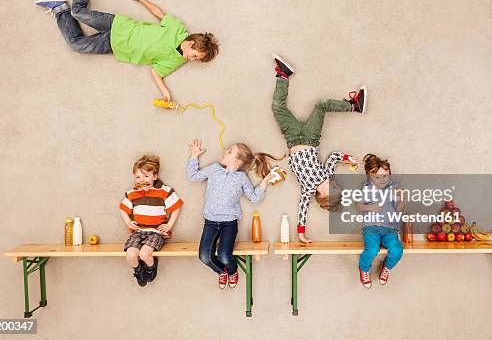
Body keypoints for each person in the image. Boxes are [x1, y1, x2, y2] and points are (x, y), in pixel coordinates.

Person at [35, 0, 219, 101]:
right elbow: (159, 13)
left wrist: (165, 91)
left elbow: (156, 72)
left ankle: (60, 10)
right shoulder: (178, 29)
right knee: (78, 12)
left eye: (195, 60)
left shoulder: (175, 62)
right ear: (190, 43)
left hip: (115, 46)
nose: (190, 59)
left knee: (75, 44)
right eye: (194, 55)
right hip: (118, 26)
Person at [271, 54, 366, 243]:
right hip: (310, 137)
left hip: (291, 138)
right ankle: (353, 106)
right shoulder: (327, 175)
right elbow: (333, 157)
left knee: (277, 108)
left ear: (323, 195)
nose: (336, 185)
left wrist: (300, 234)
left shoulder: (307, 190)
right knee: (321, 105)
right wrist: (348, 157)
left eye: (334, 190)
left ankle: (283, 75)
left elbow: (302, 210)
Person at [187, 139, 277, 289]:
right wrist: (194, 156)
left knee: (223, 256)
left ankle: (233, 271)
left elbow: (253, 197)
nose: (225, 152)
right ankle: (222, 272)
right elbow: (193, 176)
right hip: (210, 222)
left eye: (229, 151)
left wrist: (265, 182)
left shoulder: (241, 178)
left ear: (236, 160)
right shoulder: (214, 168)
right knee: (204, 256)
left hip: (229, 224)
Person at [119, 155, 183, 286]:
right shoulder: (132, 193)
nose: (142, 180)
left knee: (144, 253)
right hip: (138, 232)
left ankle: (151, 267)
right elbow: (123, 209)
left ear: (155, 176)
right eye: (138, 177)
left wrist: (169, 225)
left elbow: (176, 206)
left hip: (155, 232)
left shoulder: (163, 190)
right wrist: (128, 223)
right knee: (130, 255)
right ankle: (138, 270)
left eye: (146, 176)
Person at [356, 154, 405, 288]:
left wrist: (402, 198)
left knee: (397, 250)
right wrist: (370, 207)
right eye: (377, 177)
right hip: (371, 227)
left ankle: (387, 268)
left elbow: (399, 209)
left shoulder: (394, 187)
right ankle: (364, 269)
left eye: (386, 176)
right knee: (372, 250)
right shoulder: (367, 188)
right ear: (370, 176)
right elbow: (359, 206)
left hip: (390, 229)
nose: (382, 180)